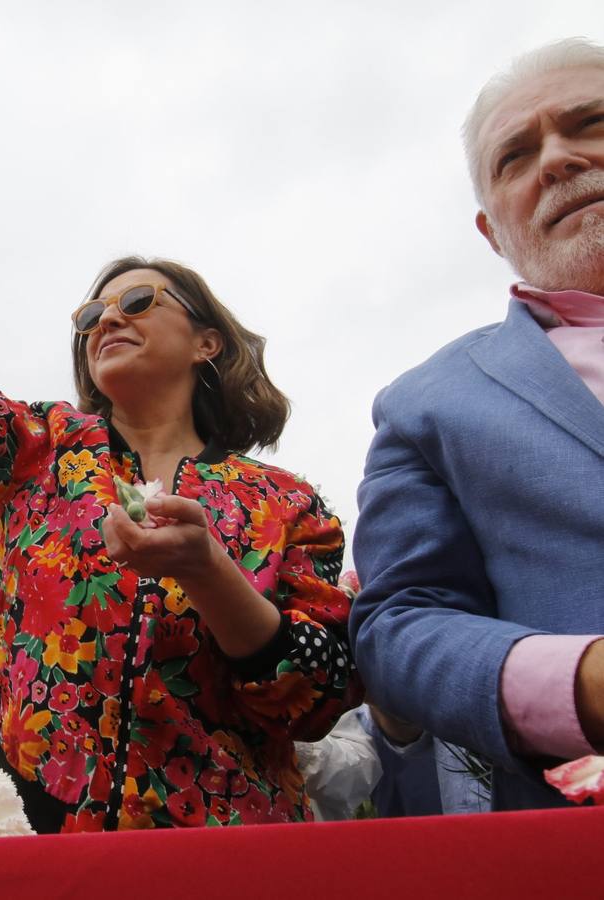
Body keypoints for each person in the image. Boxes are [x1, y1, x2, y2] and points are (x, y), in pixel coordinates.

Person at [0, 45, 360, 833]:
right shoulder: (38, 450)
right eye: (90, 316)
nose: (108, 319)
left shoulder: (289, 506)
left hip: (224, 852)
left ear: (207, 343)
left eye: (136, 300)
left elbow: (316, 700)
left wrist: (209, 574)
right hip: (36, 841)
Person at [351, 37, 604, 811]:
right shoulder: (429, 403)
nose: (556, 159)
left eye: (589, 123)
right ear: (493, 232)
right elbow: (398, 625)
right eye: (515, 157)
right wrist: (580, 681)